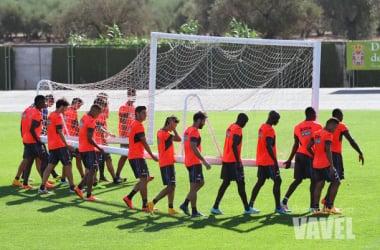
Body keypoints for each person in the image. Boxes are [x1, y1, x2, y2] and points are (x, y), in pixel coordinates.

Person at [211, 113, 256, 215]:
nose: (245, 125)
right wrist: (238, 162)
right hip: (233, 162)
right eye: (245, 122)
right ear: (241, 121)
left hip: (226, 160)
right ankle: (247, 209)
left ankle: (215, 206)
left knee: (225, 183)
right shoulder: (238, 129)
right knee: (241, 184)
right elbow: (234, 145)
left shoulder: (230, 127)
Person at [320, 109, 364, 208]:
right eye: (342, 115)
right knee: (336, 180)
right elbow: (351, 140)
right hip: (335, 156)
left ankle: (326, 200)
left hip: (326, 154)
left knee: (334, 179)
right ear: (339, 116)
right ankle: (328, 205)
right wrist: (359, 151)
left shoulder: (326, 127)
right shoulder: (341, 126)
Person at [281, 107, 322, 212]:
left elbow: (295, 145)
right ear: (312, 114)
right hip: (310, 156)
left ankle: (284, 201)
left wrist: (290, 159)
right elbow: (318, 142)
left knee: (298, 180)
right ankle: (312, 206)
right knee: (314, 180)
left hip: (299, 155)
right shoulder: (318, 126)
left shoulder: (297, 127)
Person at [249, 111, 288, 214]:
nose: (278, 122)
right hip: (269, 161)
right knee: (278, 181)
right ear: (273, 119)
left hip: (261, 160)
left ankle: (250, 205)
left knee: (260, 182)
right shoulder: (269, 130)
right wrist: (275, 162)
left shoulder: (262, 127)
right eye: (277, 120)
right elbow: (268, 145)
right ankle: (278, 207)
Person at [122, 106, 158, 211]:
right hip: (137, 156)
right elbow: (144, 142)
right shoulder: (138, 125)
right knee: (144, 180)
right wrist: (152, 155)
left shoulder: (134, 124)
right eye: (143, 113)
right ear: (137, 114)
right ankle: (145, 205)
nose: (145, 115)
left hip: (135, 156)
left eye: (145, 112)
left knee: (145, 179)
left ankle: (129, 198)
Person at [38, 99, 75, 194]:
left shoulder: (51, 115)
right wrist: (67, 145)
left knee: (50, 166)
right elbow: (60, 132)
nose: (66, 109)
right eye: (66, 107)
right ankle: (72, 187)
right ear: (62, 106)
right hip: (60, 146)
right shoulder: (58, 117)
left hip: (52, 146)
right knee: (68, 165)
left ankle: (42, 187)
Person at [147, 116, 182, 216]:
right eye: (173, 125)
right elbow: (179, 139)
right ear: (169, 123)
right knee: (171, 186)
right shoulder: (164, 134)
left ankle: (170, 208)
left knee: (171, 186)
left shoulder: (160, 132)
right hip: (166, 163)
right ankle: (153, 202)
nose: (174, 128)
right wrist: (174, 130)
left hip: (167, 162)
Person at [179, 111, 211, 218]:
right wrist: (204, 161)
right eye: (203, 121)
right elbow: (193, 147)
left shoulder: (188, 130)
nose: (204, 123)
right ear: (198, 120)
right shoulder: (194, 132)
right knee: (193, 187)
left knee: (201, 183)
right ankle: (194, 211)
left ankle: (185, 204)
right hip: (194, 162)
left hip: (189, 161)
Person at [307, 118, 341, 214]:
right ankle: (329, 206)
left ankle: (316, 209)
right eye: (335, 127)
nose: (335, 129)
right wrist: (331, 165)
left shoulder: (316, 133)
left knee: (319, 185)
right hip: (325, 164)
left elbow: (308, 147)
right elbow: (328, 150)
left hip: (316, 164)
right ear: (329, 124)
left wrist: (315, 155)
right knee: (336, 182)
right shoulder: (328, 135)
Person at [15, 95, 49, 189]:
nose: (45, 103)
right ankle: (44, 182)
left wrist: (23, 137)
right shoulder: (37, 113)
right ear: (38, 103)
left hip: (26, 139)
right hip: (33, 141)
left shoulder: (27, 111)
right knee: (44, 159)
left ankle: (24, 182)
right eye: (43, 102)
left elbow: (22, 126)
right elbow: (32, 129)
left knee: (29, 160)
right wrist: (38, 140)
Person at [74, 104, 104, 201]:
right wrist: (99, 148)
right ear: (94, 111)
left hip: (82, 148)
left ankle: (79, 188)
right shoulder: (91, 121)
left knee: (91, 170)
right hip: (89, 149)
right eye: (98, 113)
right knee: (92, 171)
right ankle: (88, 195)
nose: (99, 115)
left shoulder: (84, 116)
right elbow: (89, 138)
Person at [93, 95, 120, 184]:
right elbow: (98, 127)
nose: (106, 108)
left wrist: (106, 134)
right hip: (96, 142)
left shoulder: (102, 114)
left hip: (101, 141)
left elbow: (102, 127)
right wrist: (108, 134)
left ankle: (114, 178)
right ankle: (93, 180)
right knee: (96, 162)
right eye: (105, 105)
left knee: (108, 159)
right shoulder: (96, 115)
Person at [116, 88, 136, 182]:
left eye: (134, 94)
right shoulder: (123, 108)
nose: (133, 96)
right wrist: (123, 136)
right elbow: (123, 122)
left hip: (132, 137)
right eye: (131, 94)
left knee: (132, 155)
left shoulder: (134, 108)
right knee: (124, 155)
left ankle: (141, 175)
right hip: (125, 137)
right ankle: (117, 175)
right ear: (128, 95)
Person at [62, 97, 84, 180]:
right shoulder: (73, 112)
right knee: (74, 159)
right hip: (72, 139)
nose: (79, 107)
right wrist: (80, 135)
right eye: (79, 105)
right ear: (75, 103)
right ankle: (82, 176)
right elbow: (75, 125)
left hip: (67, 138)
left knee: (72, 159)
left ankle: (63, 179)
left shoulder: (65, 110)